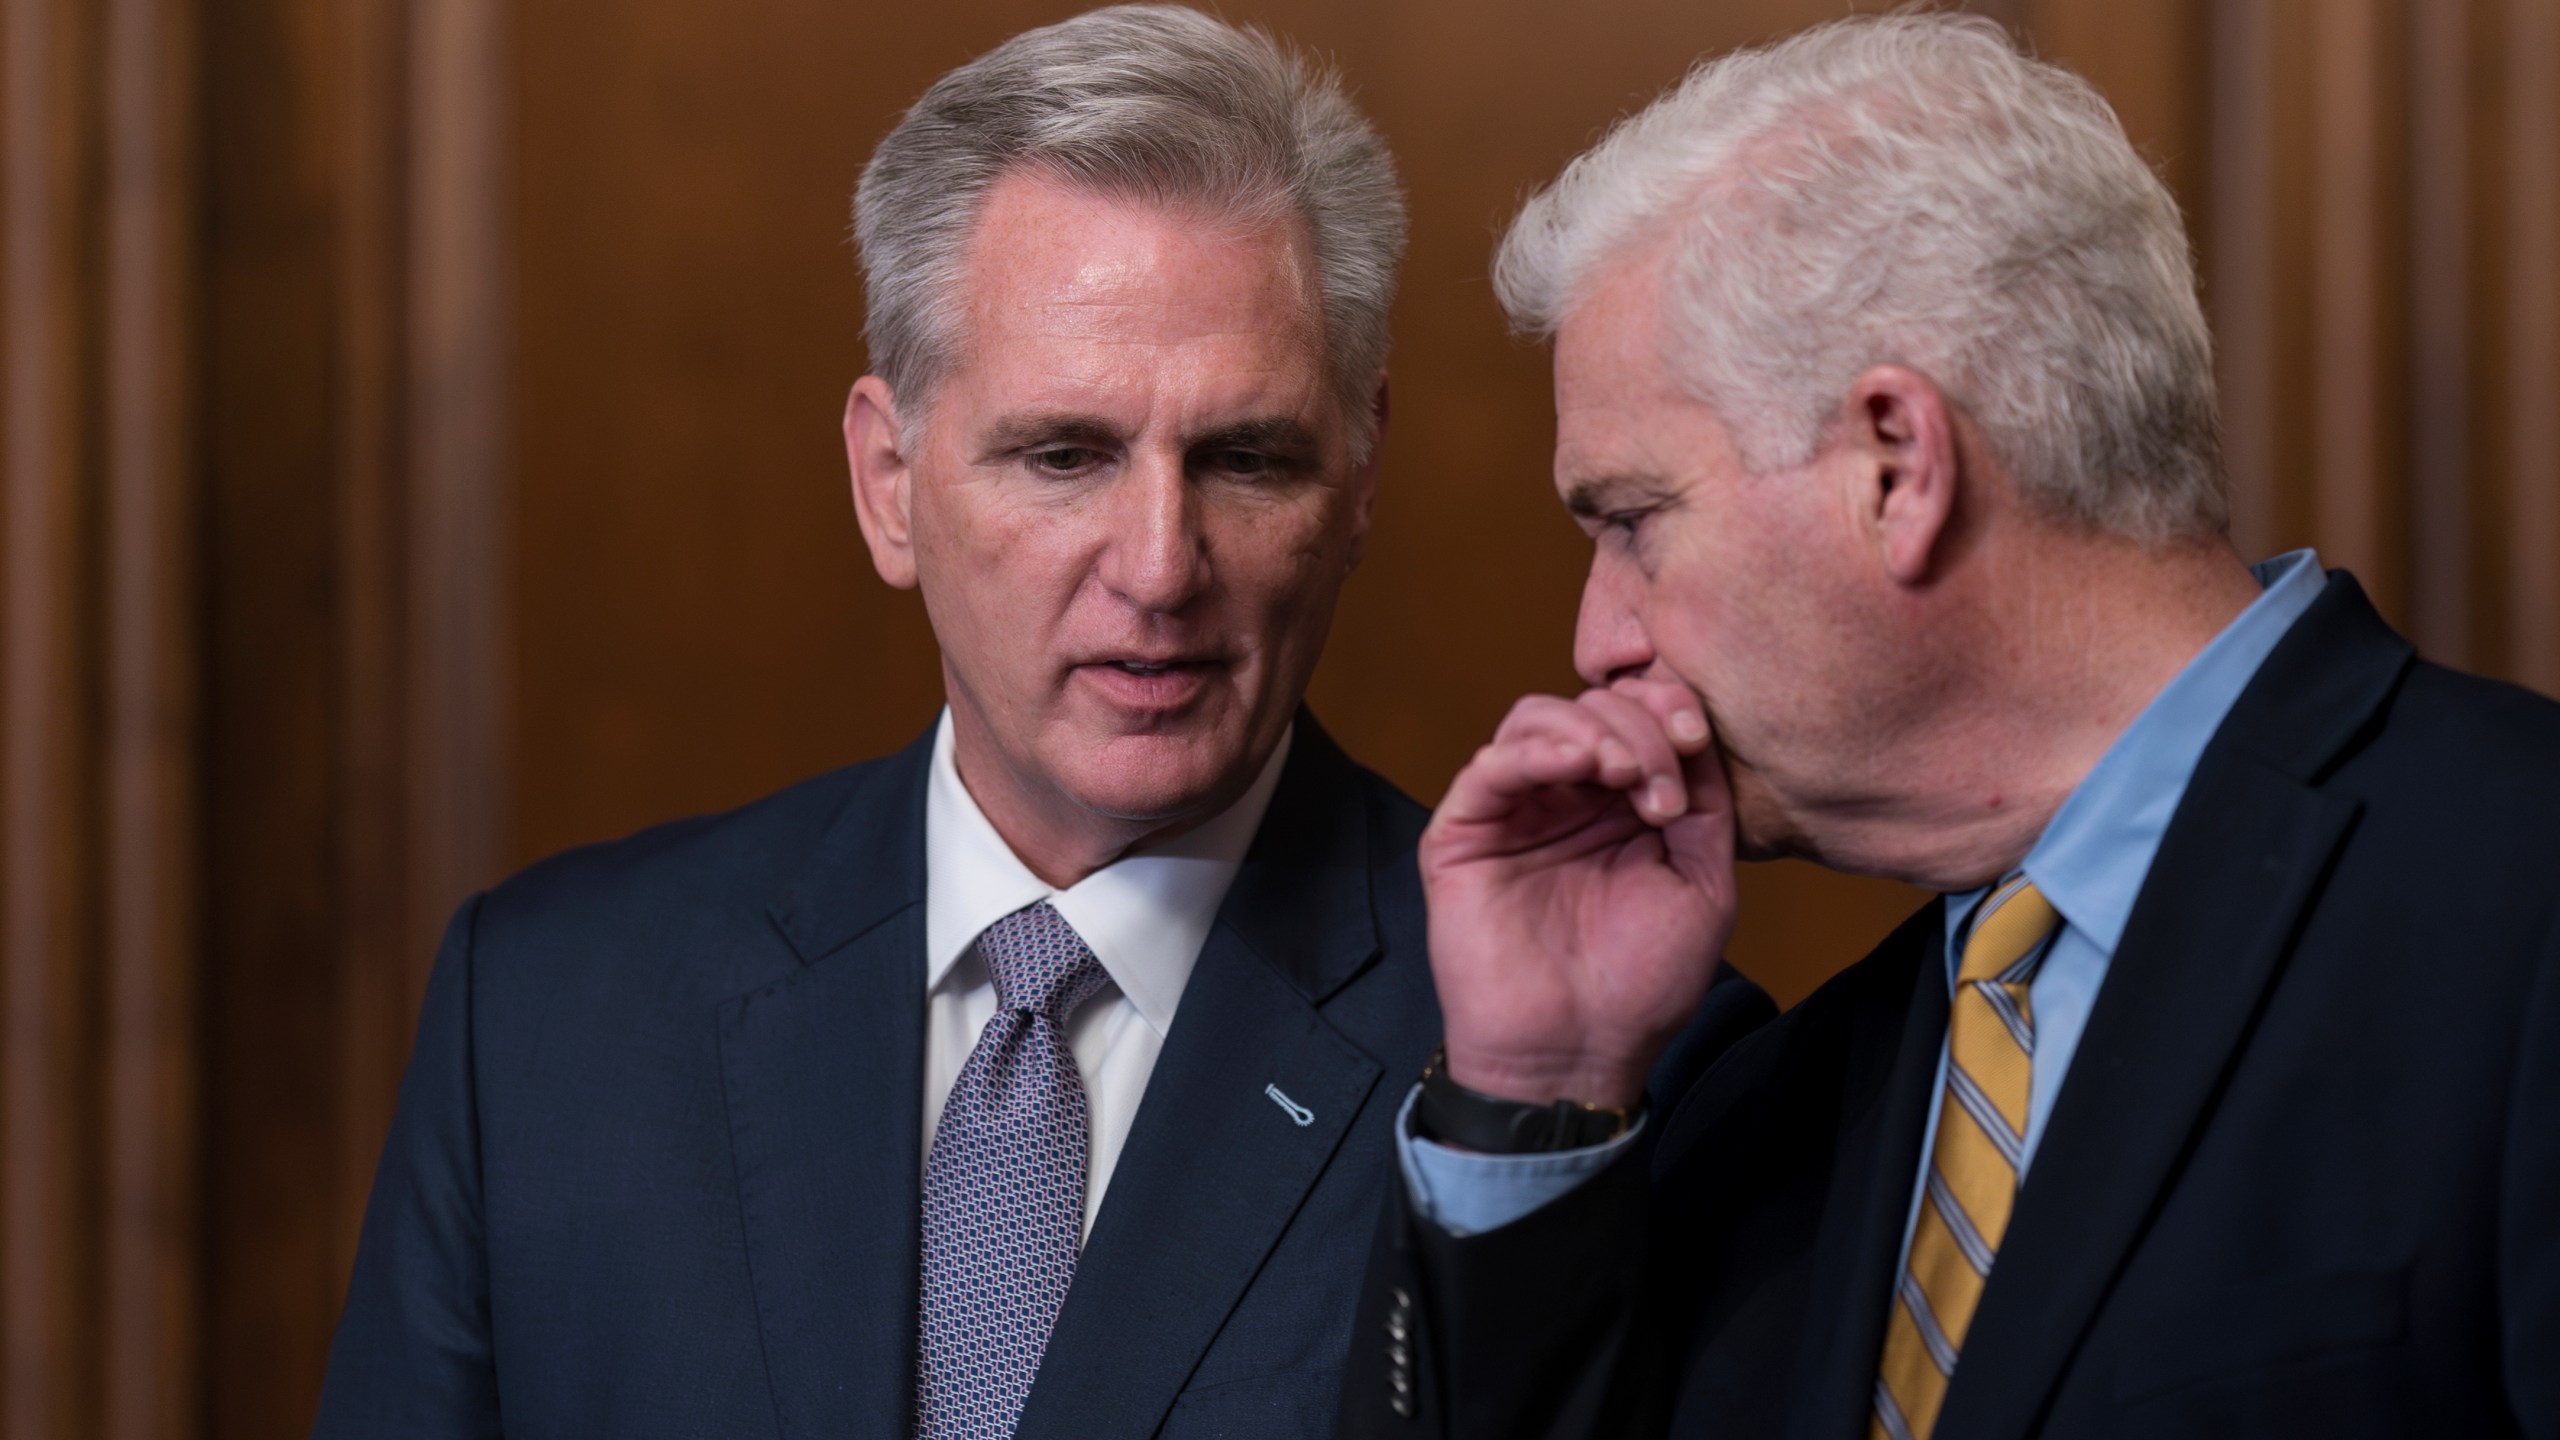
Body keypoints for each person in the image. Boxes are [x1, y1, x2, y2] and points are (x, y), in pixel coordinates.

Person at [1339, 14, 2560, 1439]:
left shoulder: (2522, 901)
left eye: (1631, 521)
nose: (1596, 641)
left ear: (1896, 465)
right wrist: (1540, 1095)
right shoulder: (1782, 1101)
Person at [314, 9, 1439, 1437]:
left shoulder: (1560, 1064)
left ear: (1360, 478)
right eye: (1063, 454)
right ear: (889, 483)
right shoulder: (541, 1019)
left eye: (1247, 458)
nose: (1162, 565)